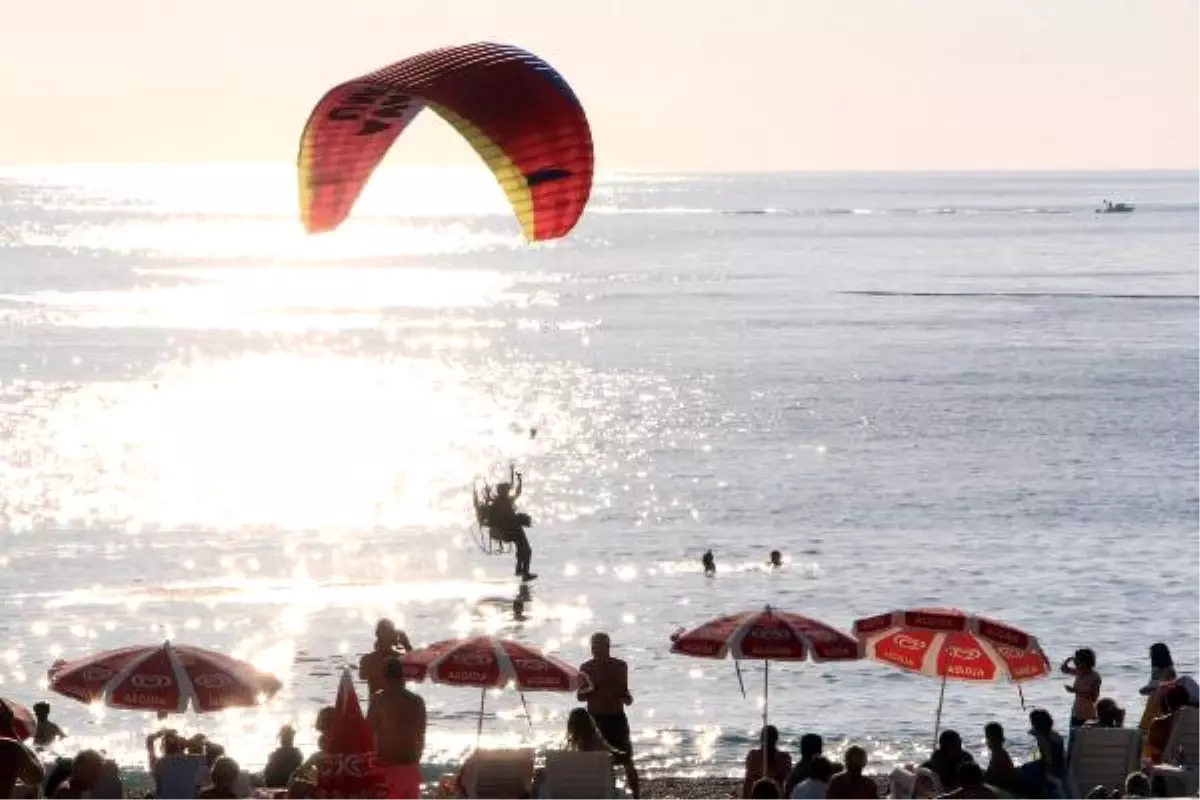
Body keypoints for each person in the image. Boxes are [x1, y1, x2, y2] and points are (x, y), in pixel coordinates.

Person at [578, 632, 640, 800]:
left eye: (598, 646)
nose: (595, 650)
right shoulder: (586, 668)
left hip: (616, 717)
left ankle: (636, 797)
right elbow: (580, 697)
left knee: (626, 760)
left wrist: (624, 697)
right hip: (594, 720)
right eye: (593, 647)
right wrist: (592, 690)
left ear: (607, 647)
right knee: (592, 762)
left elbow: (626, 696)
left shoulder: (620, 666)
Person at [366, 658, 425, 800]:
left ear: (384, 677)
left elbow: (368, 730)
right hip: (410, 766)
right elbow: (420, 733)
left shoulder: (378, 699)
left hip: (386, 766)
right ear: (403, 678)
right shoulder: (417, 701)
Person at [474, 466, 536, 580]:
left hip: (503, 533)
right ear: (505, 492)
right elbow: (518, 492)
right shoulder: (507, 501)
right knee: (526, 549)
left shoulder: (495, 504)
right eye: (507, 490)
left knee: (520, 546)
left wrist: (516, 478)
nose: (509, 491)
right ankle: (524, 572)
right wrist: (519, 480)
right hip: (511, 531)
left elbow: (479, 508)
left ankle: (519, 569)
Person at [1138, 643, 1176, 756]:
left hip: (1160, 705)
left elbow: (1163, 687)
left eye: (1151, 655)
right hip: (1153, 702)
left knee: (1149, 732)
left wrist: (1147, 689)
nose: (1150, 657)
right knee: (1144, 731)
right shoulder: (1157, 670)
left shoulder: (1168, 671)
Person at [147, 730, 209, 800]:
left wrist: (159, 733)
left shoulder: (158, 763)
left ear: (163, 748)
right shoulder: (197, 760)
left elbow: (149, 742)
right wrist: (188, 743)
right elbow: (203, 742)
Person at [1018, 709, 1065, 800]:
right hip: (1060, 764)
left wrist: (1047, 774)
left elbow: (1048, 759)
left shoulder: (1042, 738)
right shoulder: (1055, 734)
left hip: (1051, 768)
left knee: (1025, 769)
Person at [359, 619, 413, 697]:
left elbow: (363, 675)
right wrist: (407, 645)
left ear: (377, 635)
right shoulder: (400, 659)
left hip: (377, 706)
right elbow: (416, 671)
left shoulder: (367, 659)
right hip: (397, 705)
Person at [1145, 683, 1191, 764]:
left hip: (1164, 770)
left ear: (1168, 704)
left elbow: (1151, 756)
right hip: (1192, 767)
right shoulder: (1194, 724)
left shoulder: (1159, 725)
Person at [743, 725, 792, 799]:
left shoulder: (753, 755)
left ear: (761, 739)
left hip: (757, 796)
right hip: (777, 796)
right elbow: (788, 784)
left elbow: (748, 783)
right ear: (777, 739)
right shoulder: (784, 757)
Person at [1062, 648, 1101, 730]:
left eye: (1078, 661)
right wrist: (1068, 660)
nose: (1076, 663)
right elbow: (1064, 669)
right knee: (1074, 738)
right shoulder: (1079, 672)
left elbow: (1093, 697)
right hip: (1076, 711)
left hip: (1088, 713)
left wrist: (1075, 691)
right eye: (1076, 661)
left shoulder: (1094, 676)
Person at [982, 723, 1018, 795]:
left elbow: (997, 780)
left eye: (988, 739)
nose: (987, 742)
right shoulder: (998, 753)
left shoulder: (999, 756)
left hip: (1005, 790)